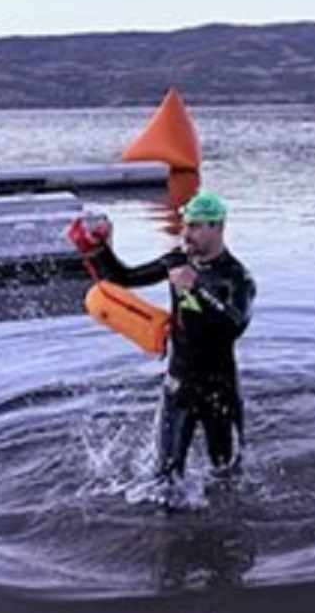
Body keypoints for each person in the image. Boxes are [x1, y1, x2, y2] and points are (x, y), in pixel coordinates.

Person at [69, 191, 256, 497]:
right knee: (164, 480)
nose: (185, 233)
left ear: (218, 227)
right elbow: (124, 277)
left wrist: (196, 288)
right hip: (178, 387)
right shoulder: (177, 261)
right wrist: (96, 250)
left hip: (219, 392)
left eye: (195, 226)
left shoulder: (237, 278)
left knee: (227, 479)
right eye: (185, 224)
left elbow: (233, 326)